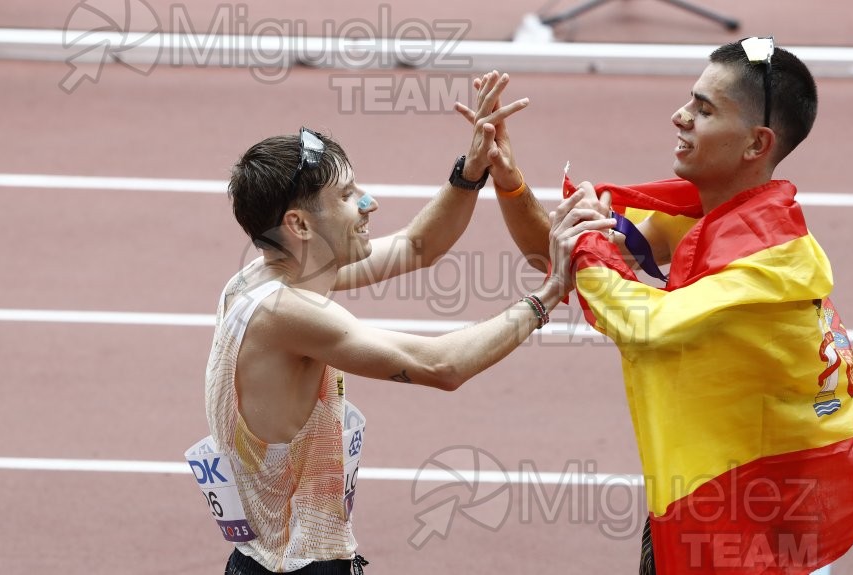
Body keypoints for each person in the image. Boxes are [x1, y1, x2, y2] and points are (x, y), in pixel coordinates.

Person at [459, 40, 853, 574]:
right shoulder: (718, 215)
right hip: (730, 491)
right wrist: (510, 180)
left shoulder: (766, 259)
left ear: (757, 143)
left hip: (754, 517)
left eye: (704, 110)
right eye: (690, 100)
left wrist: (589, 243)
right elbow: (559, 259)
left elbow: (641, 323)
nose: (680, 116)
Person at [188, 71, 613, 575]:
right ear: (299, 224)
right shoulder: (288, 314)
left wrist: (471, 171)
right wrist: (551, 292)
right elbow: (441, 366)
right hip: (294, 567)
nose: (370, 204)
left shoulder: (263, 276)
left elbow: (417, 246)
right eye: (348, 196)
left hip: (271, 559)